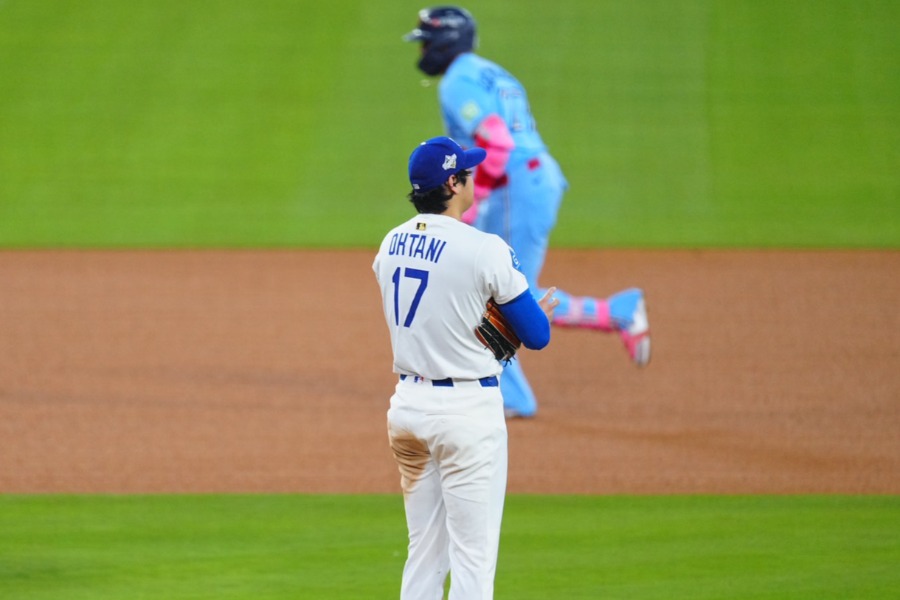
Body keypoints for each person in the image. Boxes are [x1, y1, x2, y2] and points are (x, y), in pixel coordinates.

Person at [403, 6, 651, 419]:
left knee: (497, 290)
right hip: (533, 179)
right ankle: (615, 312)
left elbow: (497, 143)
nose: (424, 49)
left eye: (427, 40)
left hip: (513, 185)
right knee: (507, 287)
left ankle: (514, 394)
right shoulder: (489, 71)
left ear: (446, 40)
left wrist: (476, 197)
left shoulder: (457, 82)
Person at [373, 136, 558, 599]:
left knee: (424, 556)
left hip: (408, 409)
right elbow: (537, 334)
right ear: (452, 184)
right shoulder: (484, 249)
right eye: (467, 174)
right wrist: (509, 332)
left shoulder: (390, 243)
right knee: (473, 564)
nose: (473, 181)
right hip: (466, 416)